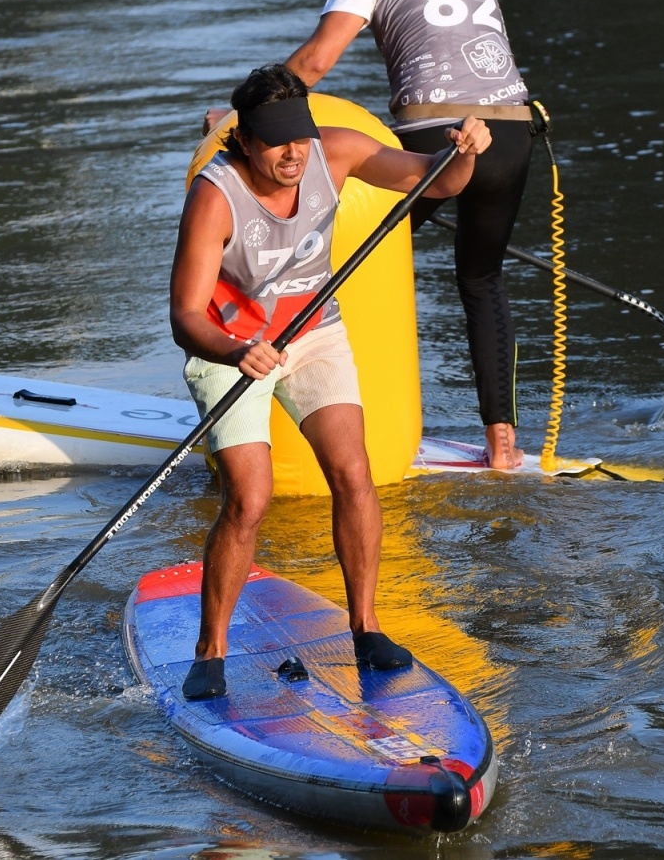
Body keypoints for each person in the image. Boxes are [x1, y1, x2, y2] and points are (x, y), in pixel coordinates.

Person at [170, 64, 491, 700]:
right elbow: (185, 316)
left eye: (300, 136)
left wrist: (464, 152)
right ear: (245, 141)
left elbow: (438, 179)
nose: (293, 154)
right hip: (231, 346)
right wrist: (237, 349)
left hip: (313, 333)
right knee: (249, 500)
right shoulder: (215, 196)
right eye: (275, 143)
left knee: (353, 471)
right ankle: (211, 650)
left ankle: (366, 629)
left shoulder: (334, 151)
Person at [285, 0, 534, 471]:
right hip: (513, 133)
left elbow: (315, 62)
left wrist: (245, 114)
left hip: (436, 138)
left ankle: (339, 425)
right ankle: (502, 447)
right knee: (482, 279)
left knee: (336, 258)